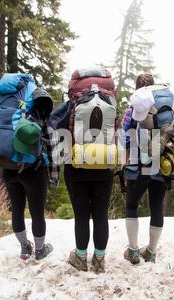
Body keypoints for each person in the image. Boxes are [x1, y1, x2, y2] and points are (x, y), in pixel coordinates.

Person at [58, 68, 116, 274]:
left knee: (81, 215)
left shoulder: (71, 105)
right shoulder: (110, 103)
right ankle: (99, 260)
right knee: (101, 214)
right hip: (104, 164)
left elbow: (57, 130)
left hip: (76, 166)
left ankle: (81, 257)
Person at [2, 88, 55, 261]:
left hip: (9, 167)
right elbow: (50, 145)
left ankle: (25, 248)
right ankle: (40, 250)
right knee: (37, 212)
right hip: (34, 169)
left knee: (17, 209)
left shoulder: (7, 109)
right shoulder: (39, 111)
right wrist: (54, 176)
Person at [122, 74, 168, 265]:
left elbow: (125, 138)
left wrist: (123, 165)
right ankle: (151, 251)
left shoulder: (131, 111)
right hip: (159, 165)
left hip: (137, 166)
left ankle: (133, 251)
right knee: (156, 206)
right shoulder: (165, 111)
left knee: (132, 205)